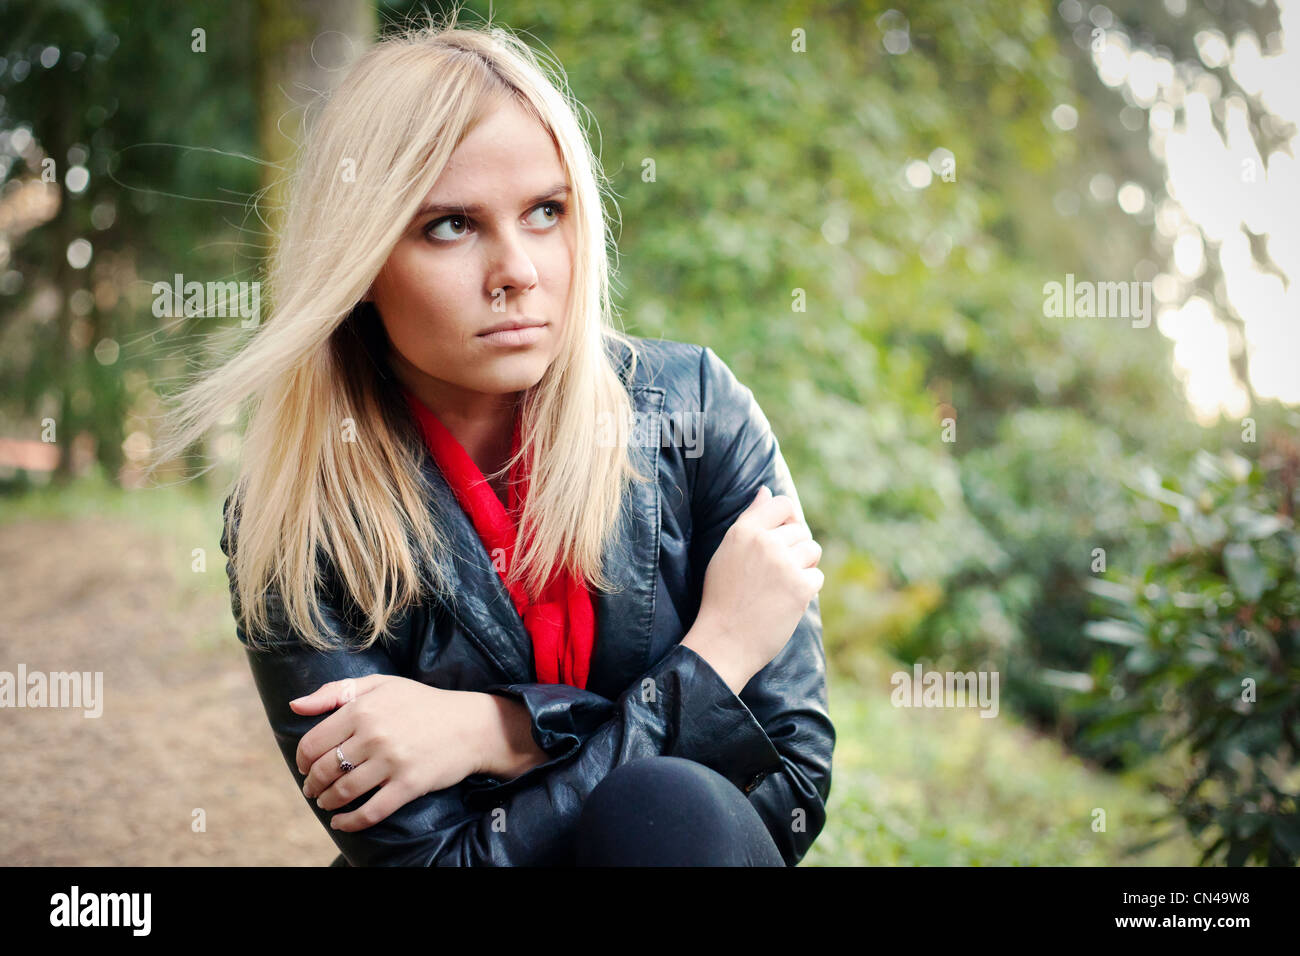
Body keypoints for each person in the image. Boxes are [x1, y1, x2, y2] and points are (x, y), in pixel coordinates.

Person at [152, 11, 833, 867]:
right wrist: (717, 658)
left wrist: (496, 731)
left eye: (546, 211)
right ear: (358, 264)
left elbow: (790, 791)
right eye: (451, 225)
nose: (519, 269)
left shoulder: (695, 410)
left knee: (671, 808)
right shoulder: (298, 521)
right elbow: (426, 863)